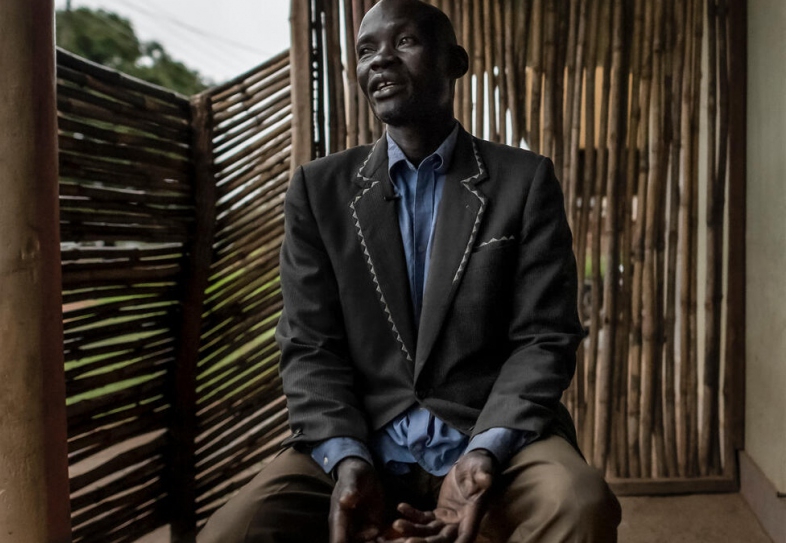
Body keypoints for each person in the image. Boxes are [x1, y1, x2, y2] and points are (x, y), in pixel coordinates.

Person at [199, 0, 621, 541]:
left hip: (491, 434)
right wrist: (347, 457)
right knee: (232, 531)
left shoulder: (523, 180)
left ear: (456, 62)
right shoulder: (319, 190)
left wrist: (486, 449)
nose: (380, 61)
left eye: (404, 43)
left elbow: (544, 336)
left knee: (579, 502)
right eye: (366, 51)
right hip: (364, 438)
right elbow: (308, 344)